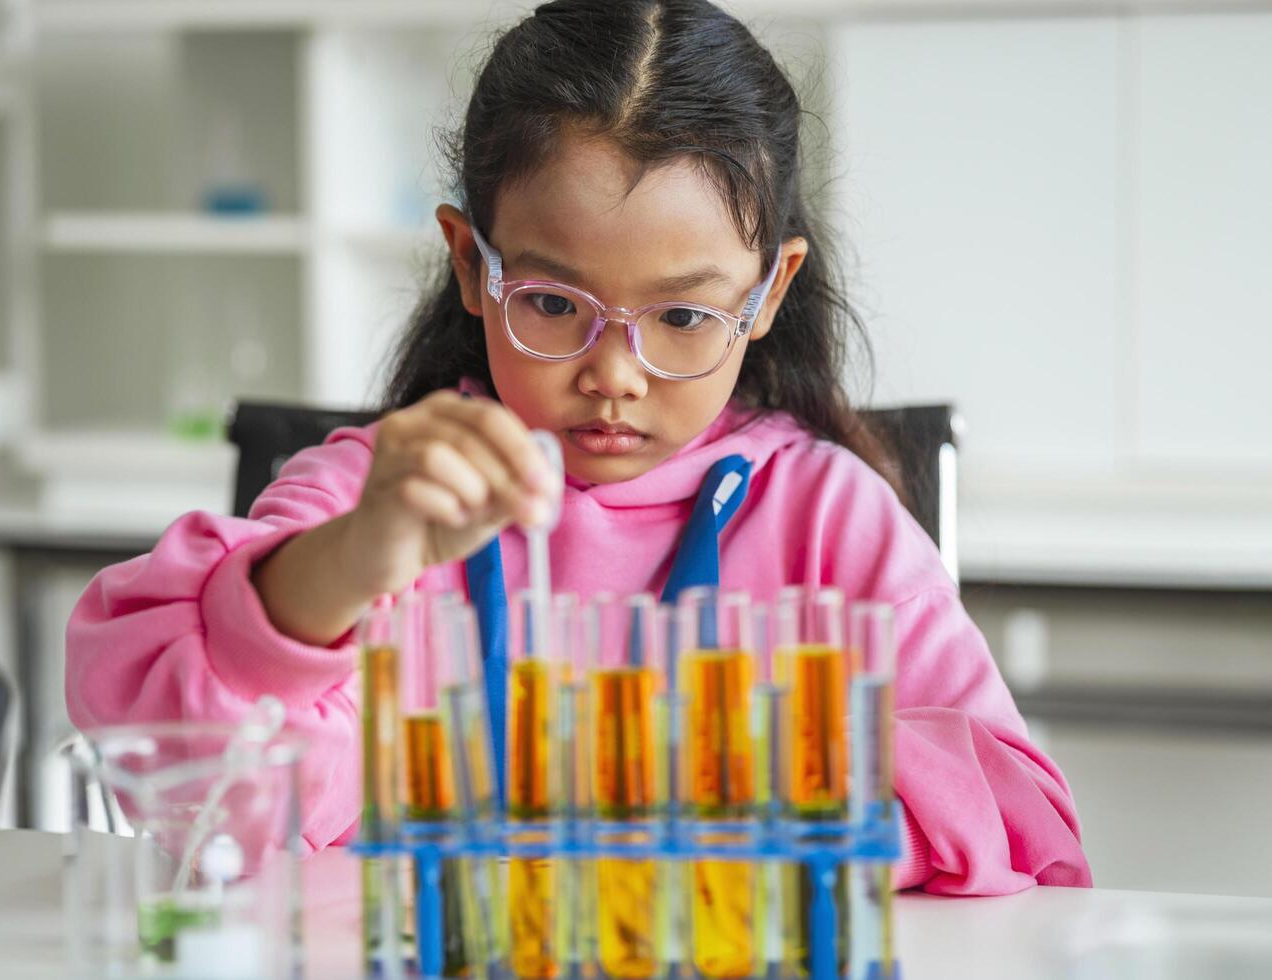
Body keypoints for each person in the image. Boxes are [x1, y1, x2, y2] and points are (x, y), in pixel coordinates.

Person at [66, 0, 1090, 895]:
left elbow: (1024, 822)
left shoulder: (831, 520)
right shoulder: (379, 497)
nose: (617, 373)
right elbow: (185, 779)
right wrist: (342, 565)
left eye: (684, 316)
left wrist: (727, 779)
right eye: (554, 302)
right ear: (474, 264)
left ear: (767, 293)